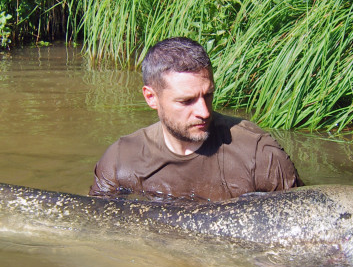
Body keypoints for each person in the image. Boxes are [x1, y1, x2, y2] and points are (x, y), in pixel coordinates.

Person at [90, 37, 299, 201]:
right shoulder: (121, 160)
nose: (204, 112)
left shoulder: (259, 153)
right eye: (187, 101)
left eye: (208, 95)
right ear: (151, 97)